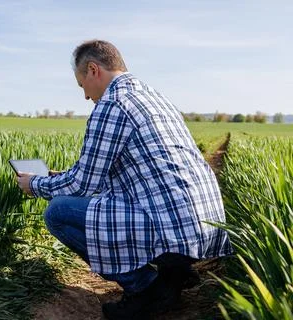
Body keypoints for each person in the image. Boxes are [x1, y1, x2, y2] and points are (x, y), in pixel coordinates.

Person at [16, 40, 232, 320]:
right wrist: (61, 176)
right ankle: (174, 270)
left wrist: (34, 185)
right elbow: (130, 173)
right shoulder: (152, 96)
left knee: (57, 212)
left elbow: (83, 185)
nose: (85, 96)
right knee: (94, 201)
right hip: (202, 226)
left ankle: (146, 288)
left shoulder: (112, 104)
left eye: (82, 85)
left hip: (173, 230)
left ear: (93, 70)